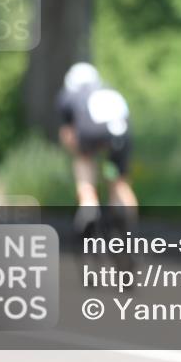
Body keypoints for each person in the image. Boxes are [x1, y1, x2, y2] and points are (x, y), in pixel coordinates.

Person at [57, 62, 138, 235]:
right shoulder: (110, 90)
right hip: (122, 134)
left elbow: (68, 133)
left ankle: (88, 202)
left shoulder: (70, 94)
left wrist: (76, 151)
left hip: (91, 133)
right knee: (119, 181)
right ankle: (128, 227)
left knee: (83, 158)